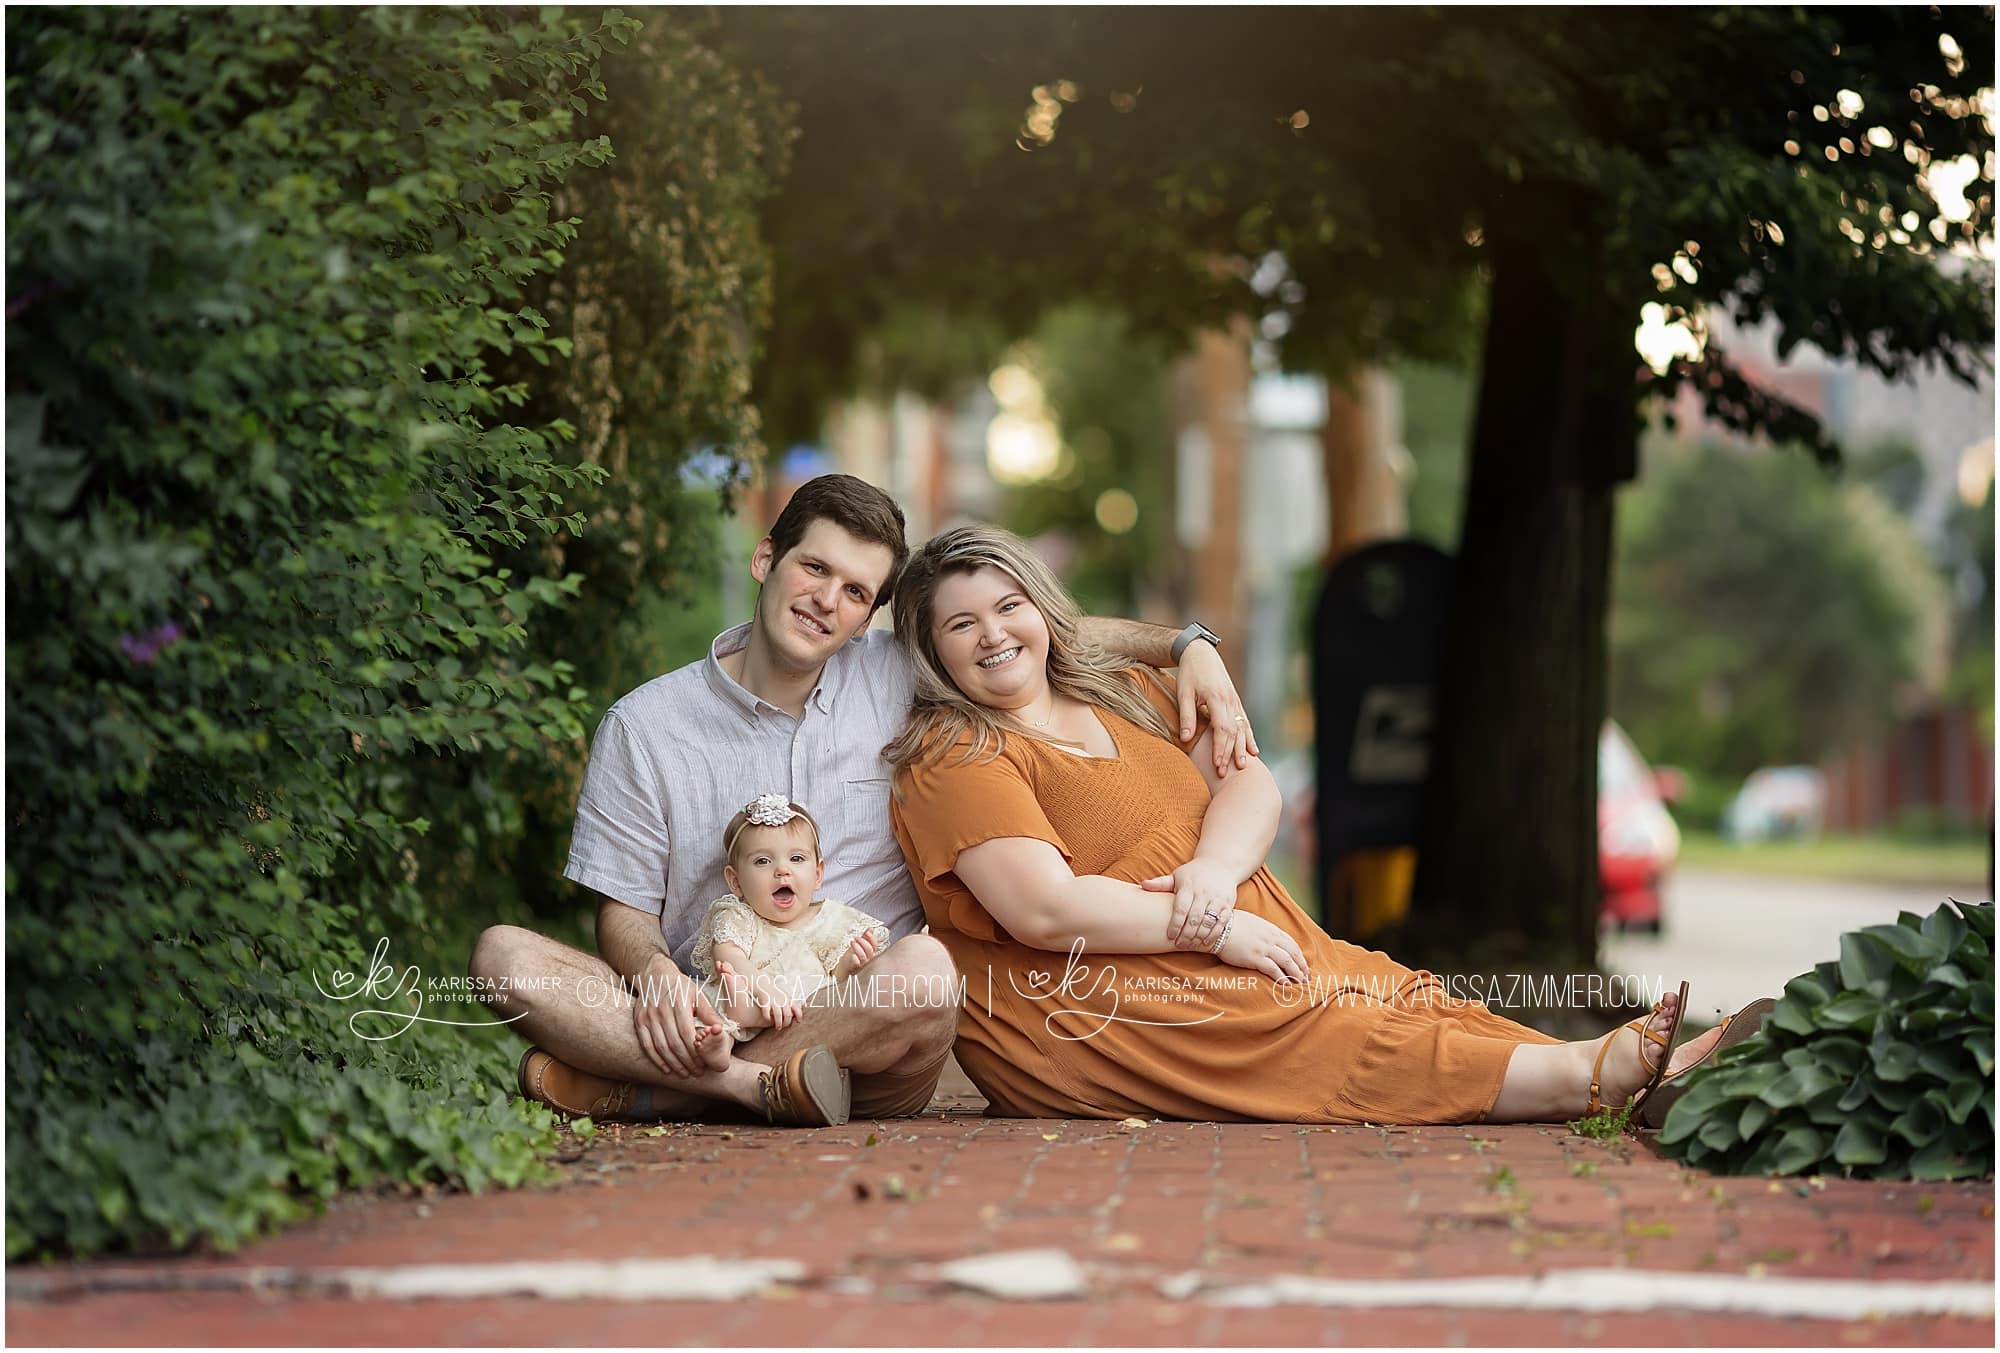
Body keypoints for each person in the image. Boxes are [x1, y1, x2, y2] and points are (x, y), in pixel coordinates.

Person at [469, 475, 1261, 1126]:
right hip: (716, 1008)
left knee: (926, 972)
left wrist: (1188, 645)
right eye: (814, 569)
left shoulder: (896, 675)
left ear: (868, 615)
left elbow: (1049, 632)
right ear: (766, 558)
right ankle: (747, 1089)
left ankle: (665, 1088)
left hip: (873, 1037)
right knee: (503, 955)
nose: (826, 601)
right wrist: (659, 978)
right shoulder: (644, 726)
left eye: (855, 591)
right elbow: (626, 912)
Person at [885, 524, 1727, 1124]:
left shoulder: (1125, 690)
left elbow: (1252, 786)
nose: (994, 634)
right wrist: (1213, 930)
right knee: (1337, 1031)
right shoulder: (953, 755)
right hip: (1095, 1000)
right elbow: (1044, 910)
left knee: (1401, 994)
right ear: (933, 651)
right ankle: (1592, 1074)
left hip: (1231, 926)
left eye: (1008, 605)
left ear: (1043, 607)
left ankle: (1620, 1077)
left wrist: (1216, 872)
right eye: (962, 624)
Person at [691, 794, 892, 1046]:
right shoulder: (740, 916)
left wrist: (850, 965)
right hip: (745, 994)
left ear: (818, 874)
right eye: (763, 861)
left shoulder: (830, 919)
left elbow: (835, 977)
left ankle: (741, 1024)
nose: (782, 870)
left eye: (796, 858)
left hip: (802, 1022)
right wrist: (760, 987)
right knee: (708, 1010)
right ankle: (722, 1042)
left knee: (825, 995)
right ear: (736, 881)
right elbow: (727, 955)